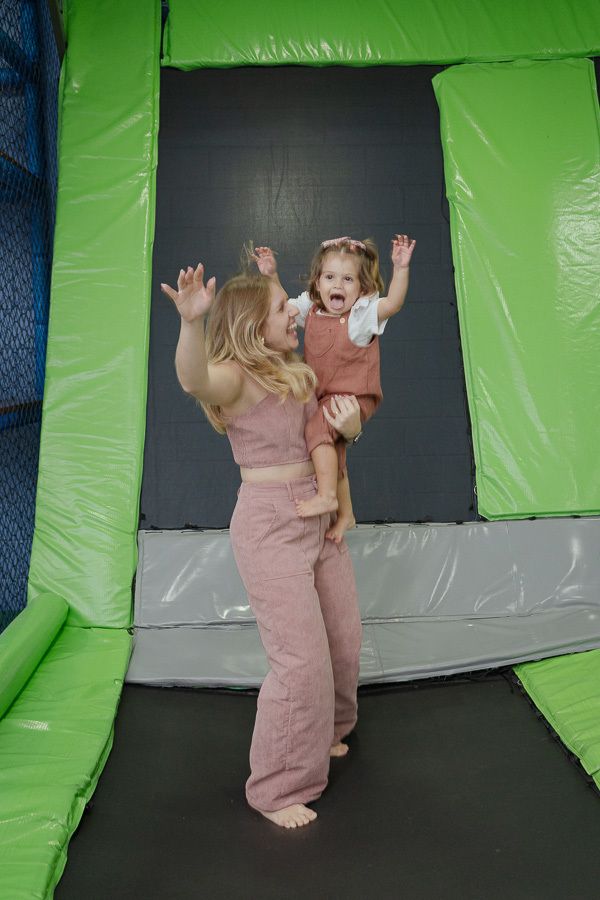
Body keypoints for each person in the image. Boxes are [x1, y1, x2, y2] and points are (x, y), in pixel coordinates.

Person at [161, 264, 363, 829]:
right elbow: (193, 379)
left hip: (317, 513)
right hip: (270, 525)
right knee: (301, 662)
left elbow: (331, 438)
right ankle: (275, 789)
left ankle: (326, 732)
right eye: (281, 307)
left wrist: (351, 435)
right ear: (252, 325)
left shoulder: (294, 372)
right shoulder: (235, 378)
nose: (294, 309)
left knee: (344, 640)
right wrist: (191, 324)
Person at [252, 234, 416, 543]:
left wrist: (401, 268)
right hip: (325, 396)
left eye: (348, 279)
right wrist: (271, 275)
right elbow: (283, 308)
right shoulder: (310, 309)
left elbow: (393, 303)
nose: (337, 285)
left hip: (353, 397)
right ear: (317, 282)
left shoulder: (360, 316)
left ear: (362, 288)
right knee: (334, 453)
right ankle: (346, 515)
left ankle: (327, 496)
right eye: (330, 277)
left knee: (316, 430)